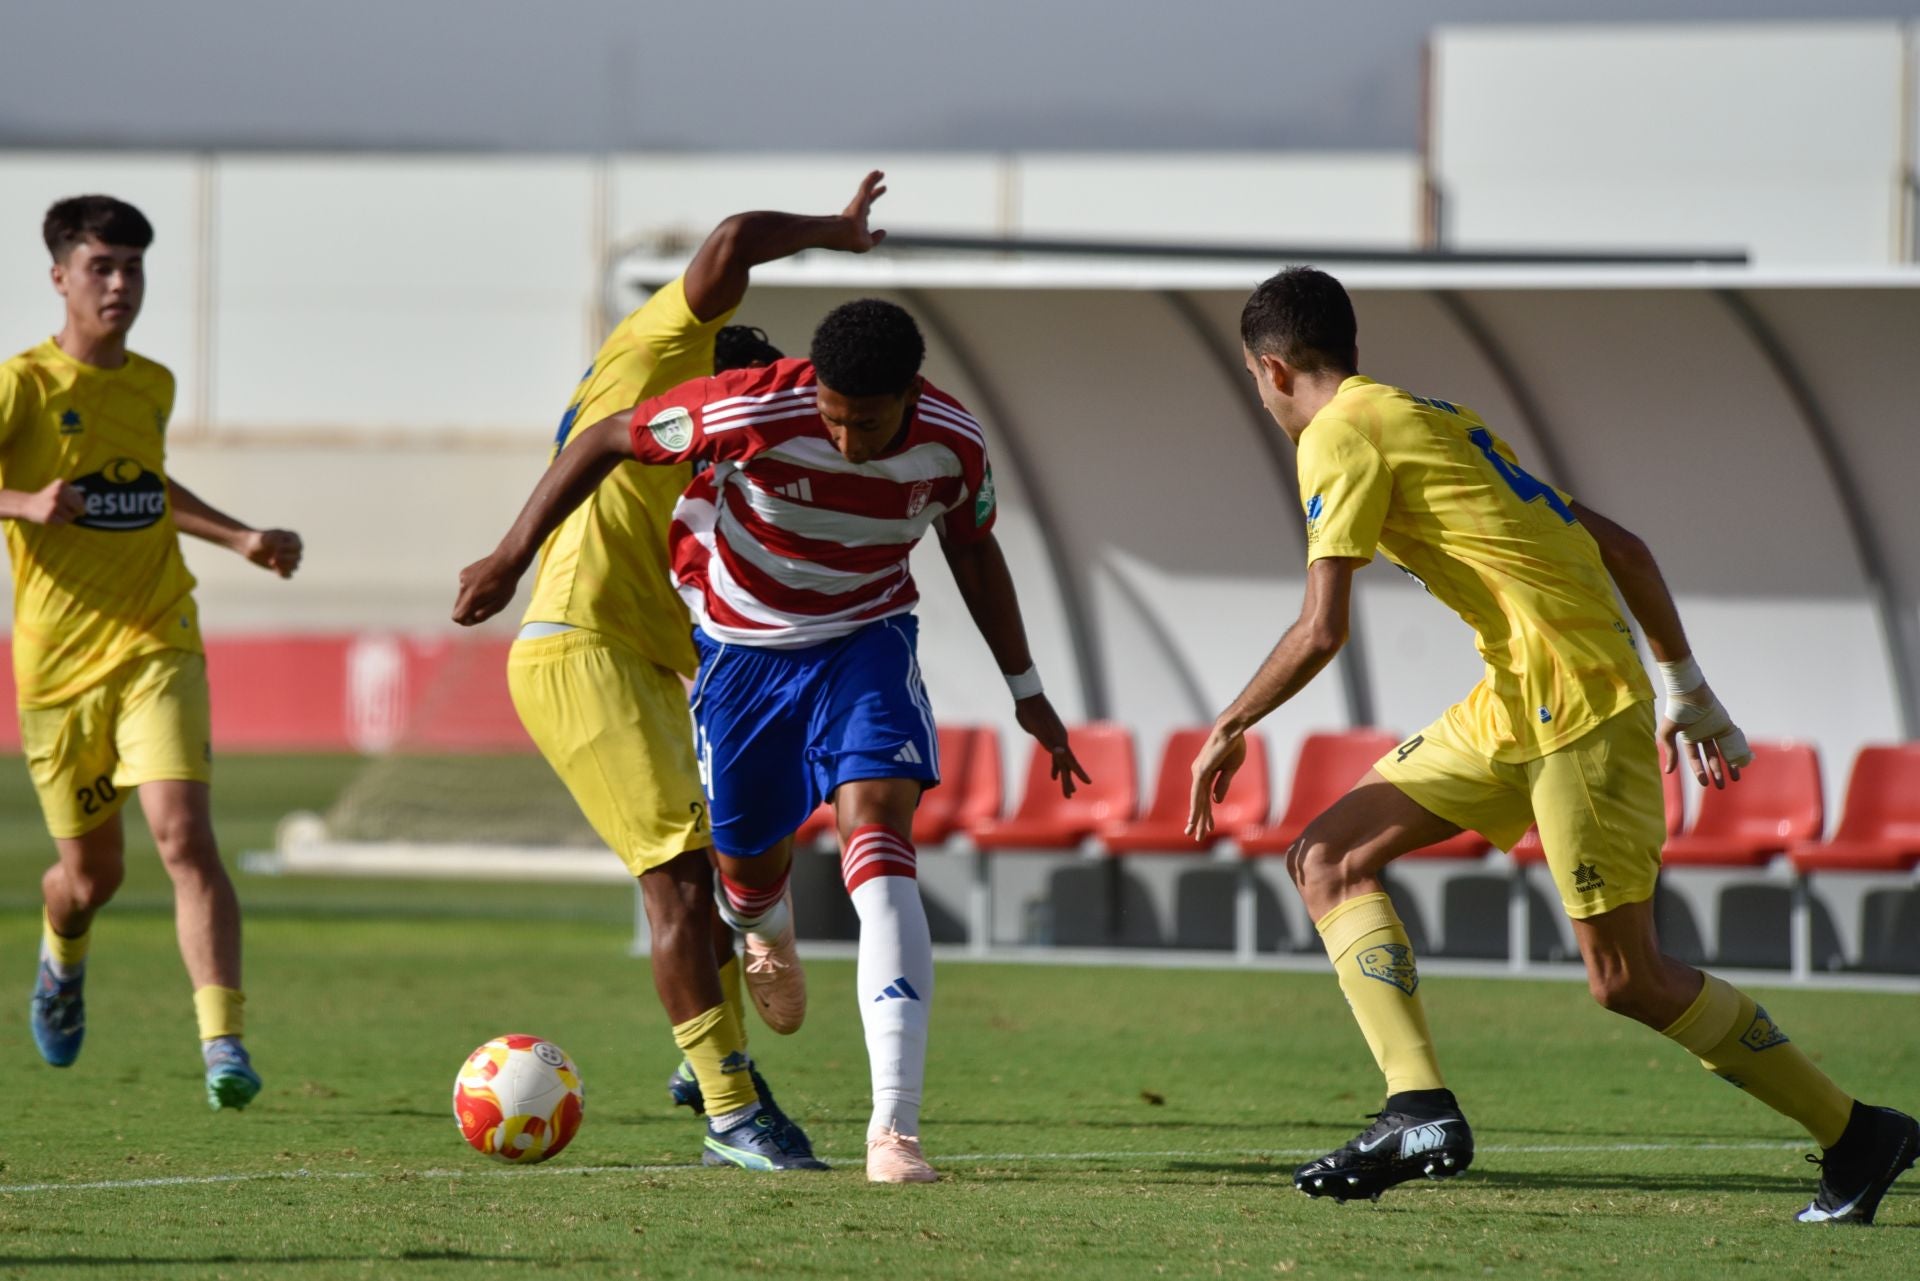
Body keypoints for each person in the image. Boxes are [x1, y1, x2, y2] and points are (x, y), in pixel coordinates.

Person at [1185, 266, 1917, 1223]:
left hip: (1573, 703)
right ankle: (1418, 1107)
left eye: (1253, 379)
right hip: (1516, 695)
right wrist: (1688, 685)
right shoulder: (1443, 418)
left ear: (1271, 369)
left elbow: (1323, 628)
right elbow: (1625, 547)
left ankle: (1858, 1133)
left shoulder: (1335, 433)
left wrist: (1229, 725)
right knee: (1327, 855)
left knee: (1628, 979)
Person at [455, 296, 1087, 1184]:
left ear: (908, 393)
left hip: (867, 640)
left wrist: (1027, 690)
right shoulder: (750, 408)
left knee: (880, 843)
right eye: (829, 415)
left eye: (863, 422)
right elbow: (601, 440)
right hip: (744, 660)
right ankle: (765, 925)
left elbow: (973, 550)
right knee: (741, 878)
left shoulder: (954, 441)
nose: (843, 438)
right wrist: (509, 558)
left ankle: (893, 1129)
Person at [469, 174, 893, 1172]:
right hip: (579, 649)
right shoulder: (663, 352)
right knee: (678, 886)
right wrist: (834, 232)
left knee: (710, 870)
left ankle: (705, 1065)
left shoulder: (705, 463)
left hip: (646, 668)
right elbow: (737, 234)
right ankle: (729, 1112)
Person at [0, 195, 303, 1109]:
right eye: (103, 267)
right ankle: (63, 955)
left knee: (184, 835)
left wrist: (240, 535)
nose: (121, 284)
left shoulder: (153, 383)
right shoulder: (22, 386)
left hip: (157, 637)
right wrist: (24, 504)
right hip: (57, 671)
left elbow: (147, 484)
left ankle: (223, 1042)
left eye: (133, 267)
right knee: (91, 878)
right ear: (60, 276)